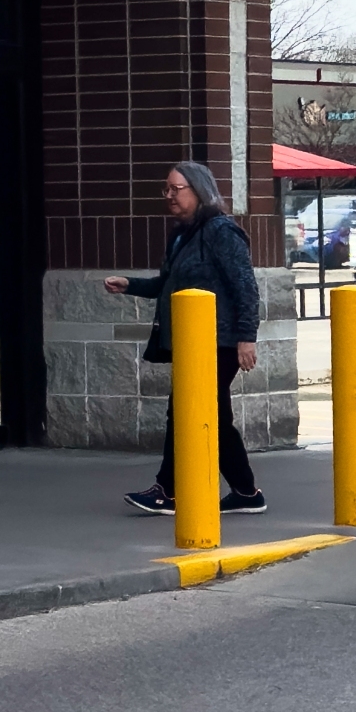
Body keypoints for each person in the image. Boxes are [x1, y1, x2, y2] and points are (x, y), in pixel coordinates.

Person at [104, 163, 261, 518]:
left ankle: (167, 491)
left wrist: (246, 339)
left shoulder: (221, 232)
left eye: (178, 189)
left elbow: (245, 287)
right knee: (214, 417)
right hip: (191, 342)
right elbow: (169, 284)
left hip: (218, 342)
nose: (171, 197)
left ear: (201, 191)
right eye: (167, 190)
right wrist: (129, 285)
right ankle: (246, 492)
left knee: (184, 412)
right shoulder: (182, 235)